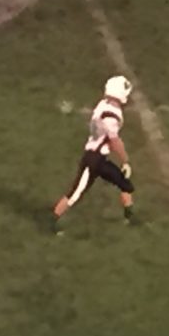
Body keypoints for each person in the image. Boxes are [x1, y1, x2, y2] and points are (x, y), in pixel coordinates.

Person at [51, 75, 136, 234]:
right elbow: (115, 141)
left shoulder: (103, 104)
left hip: (100, 158)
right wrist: (125, 160)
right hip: (93, 160)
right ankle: (52, 221)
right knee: (75, 194)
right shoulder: (111, 115)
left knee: (125, 183)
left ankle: (130, 218)